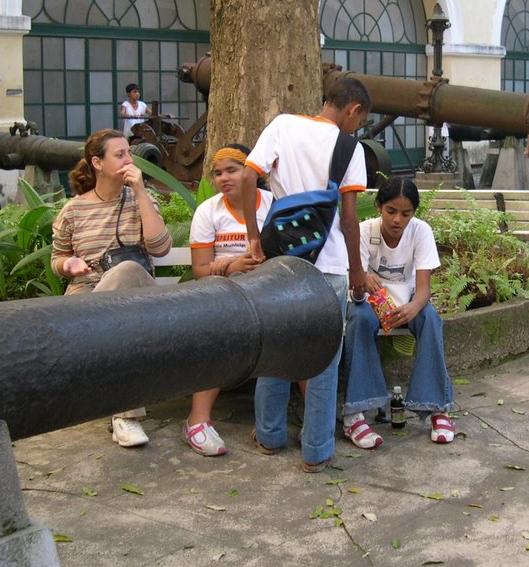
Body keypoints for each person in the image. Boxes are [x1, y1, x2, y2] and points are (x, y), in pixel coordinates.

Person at [241, 76, 370, 473]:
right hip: (328, 268)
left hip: (283, 262)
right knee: (324, 362)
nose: (358, 128)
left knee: (276, 349)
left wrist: (253, 236)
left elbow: (248, 177)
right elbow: (349, 220)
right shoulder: (350, 148)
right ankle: (316, 451)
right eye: (360, 120)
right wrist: (357, 270)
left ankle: (269, 436)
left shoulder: (283, 125)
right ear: (353, 110)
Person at [51, 128, 172, 447]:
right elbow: (58, 257)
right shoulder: (73, 210)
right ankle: (123, 416)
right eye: (120, 154)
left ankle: (121, 411)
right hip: (87, 293)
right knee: (119, 328)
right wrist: (68, 265)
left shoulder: (139, 200)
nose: (129, 160)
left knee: (127, 270)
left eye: (129, 154)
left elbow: (160, 248)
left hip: (137, 295)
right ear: (97, 163)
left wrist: (142, 192)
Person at [341, 177, 455, 448]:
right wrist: (362, 282)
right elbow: (355, 292)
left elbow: (424, 289)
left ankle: (437, 407)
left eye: (406, 213)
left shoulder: (420, 231)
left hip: (409, 298)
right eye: (391, 211)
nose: (397, 220)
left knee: (430, 318)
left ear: (414, 213)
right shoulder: (364, 232)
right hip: (370, 300)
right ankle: (355, 413)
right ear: (379, 206)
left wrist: (413, 308)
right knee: (359, 319)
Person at [183, 144, 274, 456]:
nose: (223, 178)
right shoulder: (209, 211)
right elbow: (200, 271)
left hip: (269, 289)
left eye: (232, 170)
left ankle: (317, 418)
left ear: (250, 173)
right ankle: (197, 420)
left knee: (296, 327)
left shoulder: (273, 205)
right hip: (223, 292)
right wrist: (232, 266)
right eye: (218, 172)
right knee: (221, 329)